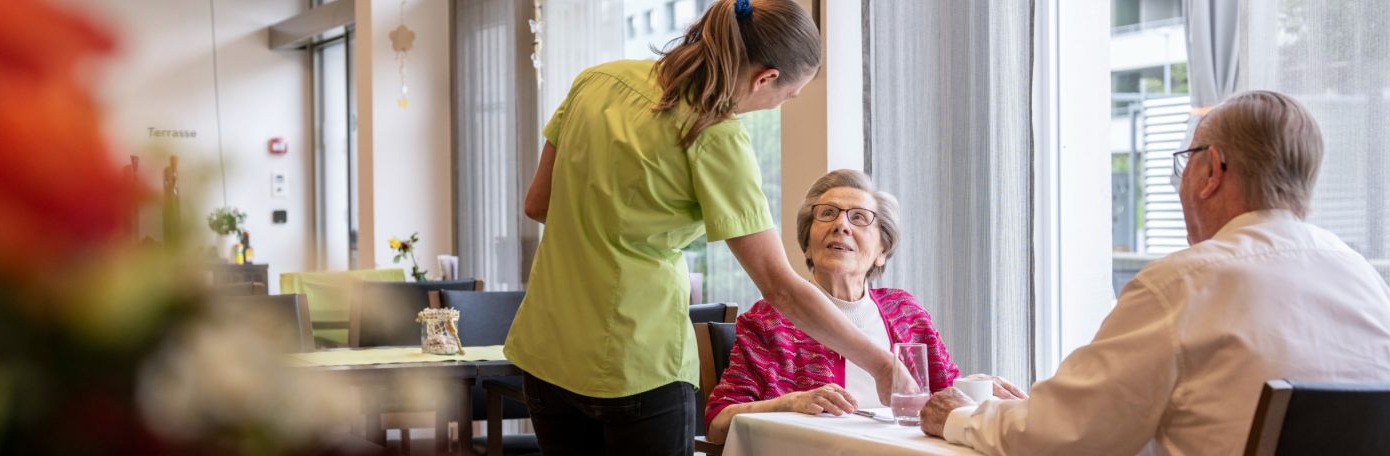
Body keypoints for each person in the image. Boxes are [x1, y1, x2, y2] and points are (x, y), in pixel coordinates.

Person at [504, 1, 896, 454]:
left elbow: (538, 204)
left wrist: (600, 226)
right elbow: (779, 286)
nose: (782, 103)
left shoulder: (598, 80)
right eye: (789, 94)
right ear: (765, 78)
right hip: (635, 359)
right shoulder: (715, 134)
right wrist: (883, 366)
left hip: (548, 349)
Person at [920, 90, 1390, 455]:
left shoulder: (1185, 284)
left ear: (1212, 171)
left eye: (1186, 162)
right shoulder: (1365, 282)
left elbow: (1061, 438)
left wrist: (962, 416)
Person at [703, 170, 963, 443]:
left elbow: (949, 399)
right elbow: (717, 424)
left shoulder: (906, 312)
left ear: (882, 251)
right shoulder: (769, 320)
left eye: (859, 217)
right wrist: (790, 403)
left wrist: (979, 391)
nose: (841, 225)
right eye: (827, 213)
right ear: (807, 245)